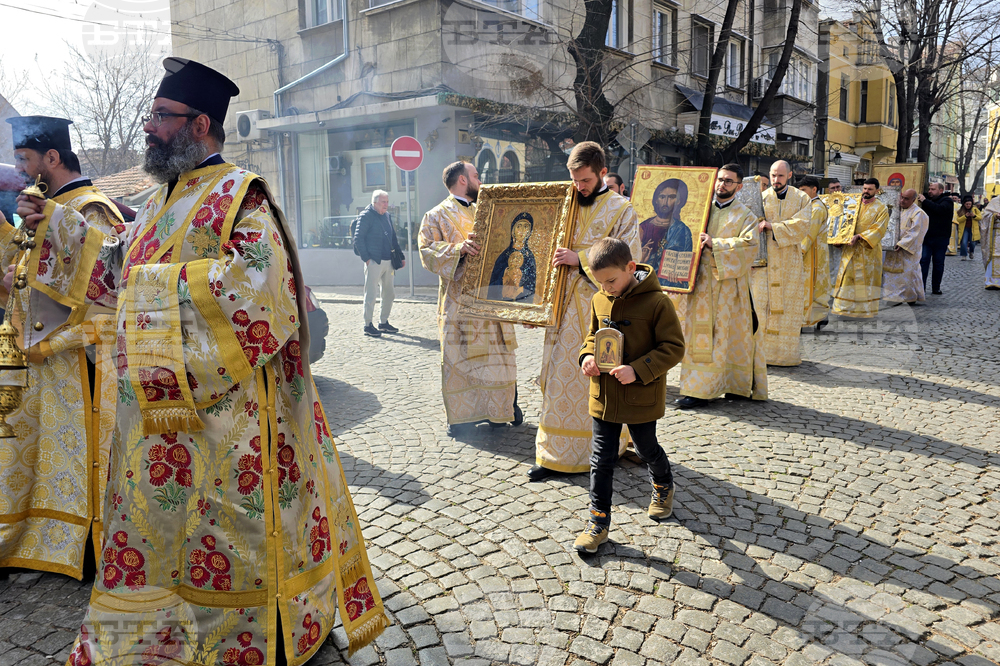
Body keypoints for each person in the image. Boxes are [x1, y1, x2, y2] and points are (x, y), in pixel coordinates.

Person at [15, 57, 387, 665]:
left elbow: (260, 294)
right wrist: (58, 226)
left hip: (228, 417)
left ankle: (251, 635)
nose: (148, 126)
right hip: (157, 422)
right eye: (152, 115)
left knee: (229, 532)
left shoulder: (240, 194)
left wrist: (150, 292)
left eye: (161, 116)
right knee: (162, 533)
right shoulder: (159, 199)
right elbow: (115, 272)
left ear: (199, 124)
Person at [0, 116, 125, 579]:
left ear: (52, 158)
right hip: (38, 359)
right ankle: (46, 542)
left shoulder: (92, 210)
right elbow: (20, 273)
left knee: (80, 460)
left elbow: (108, 288)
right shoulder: (41, 207)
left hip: (78, 363)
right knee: (42, 459)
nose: (20, 170)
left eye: (25, 160)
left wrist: (55, 338)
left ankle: (87, 550)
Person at [530, 142, 639, 481]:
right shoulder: (564, 204)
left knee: (596, 380)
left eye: (586, 180)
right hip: (561, 308)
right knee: (560, 378)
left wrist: (581, 260)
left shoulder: (622, 209)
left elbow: (630, 261)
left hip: (600, 311)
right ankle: (553, 455)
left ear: (603, 172)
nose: (579, 187)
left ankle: (605, 450)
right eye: (575, 180)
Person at [574, 237, 685, 553]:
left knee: (646, 447)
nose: (606, 287)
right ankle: (597, 523)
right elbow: (591, 338)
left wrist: (637, 369)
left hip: (640, 395)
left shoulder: (657, 303)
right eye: (600, 282)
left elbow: (673, 347)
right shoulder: (599, 299)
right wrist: (587, 358)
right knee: (601, 459)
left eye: (611, 279)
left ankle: (663, 486)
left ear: (631, 268)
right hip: (604, 395)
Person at [418, 161, 521, 437]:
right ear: (463, 180)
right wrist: (458, 249)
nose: (480, 180)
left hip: (490, 301)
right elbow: (426, 251)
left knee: (497, 358)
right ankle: (464, 418)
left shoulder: (486, 210)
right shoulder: (435, 215)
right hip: (459, 302)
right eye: (476, 175)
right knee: (461, 357)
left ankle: (502, 411)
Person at [672, 163, 766, 409]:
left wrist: (716, 243)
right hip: (698, 283)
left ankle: (734, 385)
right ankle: (697, 389)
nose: (722, 185)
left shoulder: (746, 215)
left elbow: (749, 247)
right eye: (720, 180)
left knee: (727, 336)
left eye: (728, 181)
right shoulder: (700, 210)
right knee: (698, 338)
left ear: (739, 186)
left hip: (727, 288)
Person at [759, 160, 811, 366]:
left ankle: (784, 355)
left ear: (789, 176)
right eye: (773, 175)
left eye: (780, 176)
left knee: (788, 306)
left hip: (789, 260)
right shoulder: (761, 198)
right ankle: (761, 355)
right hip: (765, 260)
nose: (775, 180)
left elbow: (803, 225)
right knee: (762, 306)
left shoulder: (802, 198)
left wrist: (773, 227)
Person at [831, 178, 888, 318]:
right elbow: (842, 222)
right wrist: (839, 239)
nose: (866, 191)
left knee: (865, 279)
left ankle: (863, 310)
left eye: (870, 189)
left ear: (877, 190)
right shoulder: (852, 204)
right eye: (864, 188)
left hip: (868, 251)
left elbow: (879, 229)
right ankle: (844, 309)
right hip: (849, 249)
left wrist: (860, 237)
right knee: (847, 278)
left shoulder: (881, 208)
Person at [355, 189, 403, 337]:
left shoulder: (387, 216)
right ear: (375, 202)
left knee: (389, 293)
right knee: (371, 294)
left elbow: (393, 238)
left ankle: (383, 323)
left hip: (389, 261)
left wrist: (400, 256)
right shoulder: (366, 216)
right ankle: (368, 325)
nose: (386, 205)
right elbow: (358, 239)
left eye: (387, 202)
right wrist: (367, 259)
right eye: (383, 202)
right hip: (374, 261)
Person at [639, 178, 694, 287]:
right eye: (662, 197)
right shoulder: (643, 228)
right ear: (656, 200)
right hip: (645, 283)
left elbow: (685, 262)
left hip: (670, 285)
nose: (666, 202)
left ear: (679, 201)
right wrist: (641, 260)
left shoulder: (682, 230)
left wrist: (678, 273)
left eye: (672, 197)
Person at [883, 188, 929, 304]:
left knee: (907, 274)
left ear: (913, 200)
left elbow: (916, 232)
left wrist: (902, 244)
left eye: (906, 199)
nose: (902, 200)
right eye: (902, 197)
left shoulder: (918, 213)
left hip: (907, 250)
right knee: (891, 273)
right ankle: (892, 296)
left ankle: (908, 297)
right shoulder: (896, 210)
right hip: (892, 248)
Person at [796, 176, 831, 328]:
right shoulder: (808, 205)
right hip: (814, 251)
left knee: (810, 285)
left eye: (803, 190)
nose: (801, 193)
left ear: (814, 189)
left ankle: (806, 320)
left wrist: (799, 250)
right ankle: (820, 316)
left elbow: (809, 232)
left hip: (812, 253)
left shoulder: (816, 208)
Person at [487, 211, 537, 302]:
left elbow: (531, 286)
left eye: (525, 227)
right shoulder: (504, 256)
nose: (522, 231)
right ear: (513, 230)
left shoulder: (529, 257)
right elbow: (493, 284)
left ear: (530, 232)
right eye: (519, 226)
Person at [919, 181, 954, 295]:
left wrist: (925, 201)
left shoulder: (947, 201)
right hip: (926, 237)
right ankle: (921, 287)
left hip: (941, 238)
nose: (930, 191)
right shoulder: (925, 200)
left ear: (940, 190)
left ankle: (936, 287)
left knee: (938, 263)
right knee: (924, 261)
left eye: (933, 189)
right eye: (929, 189)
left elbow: (939, 209)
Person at [979, 197, 1000, 289]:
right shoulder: (995, 201)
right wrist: (995, 216)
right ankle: (993, 281)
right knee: (994, 255)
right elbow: (984, 216)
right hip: (996, 235)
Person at [953, 195, 981, 261]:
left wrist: (974, 216)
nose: (968, 205)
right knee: (964, 242)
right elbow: (958, 219)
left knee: (972, 243)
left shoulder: (975, 209)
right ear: (964, 204)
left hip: (973, 228)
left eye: (969, 204)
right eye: (967, 204)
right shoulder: (961, 210)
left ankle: (971, 251)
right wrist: (965, 216)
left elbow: (980, 217)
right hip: (964, 228)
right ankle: (964, 255)